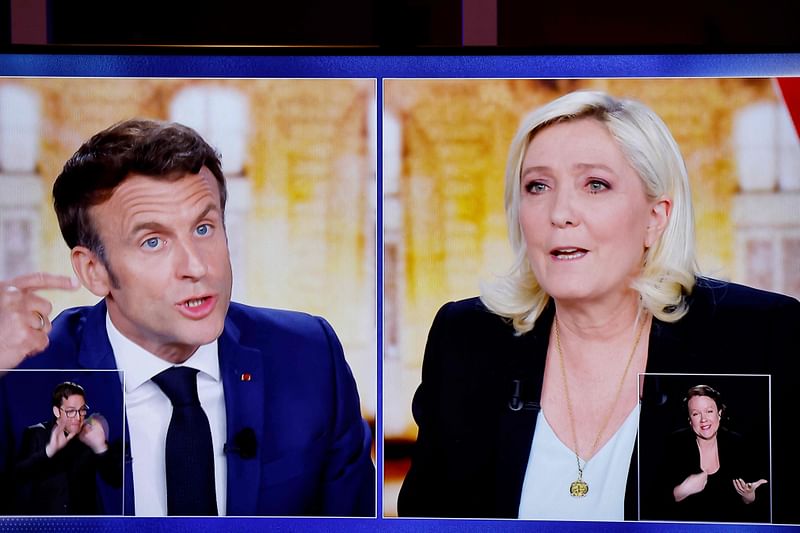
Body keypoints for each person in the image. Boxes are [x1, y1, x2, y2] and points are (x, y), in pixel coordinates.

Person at [397, 91, 800, 523]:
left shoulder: (764, 336)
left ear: (655, 217)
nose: (560, 213)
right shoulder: (466, 339)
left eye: (595, 185)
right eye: (538, 186)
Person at [0, 119, 374, 516]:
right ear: (94, 271)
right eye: (153, 241)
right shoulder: (19, 379)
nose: (196, 267)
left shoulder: (310, 357)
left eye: (203, 227)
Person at [658, 385, 767, 522]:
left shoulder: (738, 444)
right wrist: (682, 490)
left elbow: (757, 505)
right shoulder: (675, 444)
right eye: (696, 414)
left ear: (719, 413)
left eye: (709, 411)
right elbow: (656, 501)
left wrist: (748, 496)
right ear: (690, 420)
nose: (704, 419)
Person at [10, 382, 122, 515]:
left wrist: (100, 447)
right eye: (70, 411)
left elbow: (115, 480)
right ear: (57, 411)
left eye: (82, 410)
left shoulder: (88, 436)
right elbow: (17, 476)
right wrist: (48, 451)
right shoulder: (36, 433)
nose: (78, 417)